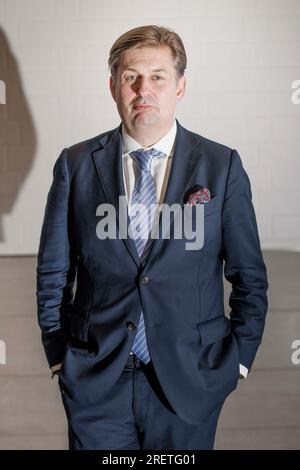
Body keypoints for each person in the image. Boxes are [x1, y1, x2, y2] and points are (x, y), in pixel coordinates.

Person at [36, 25, 268, 450]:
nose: (144, 89)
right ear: (113, 86)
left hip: (190, 378)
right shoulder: (75, 165)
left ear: (180, 86)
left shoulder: (222, 166)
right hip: (96, 380)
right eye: (131, 77)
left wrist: (238, 363)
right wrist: (57, 357)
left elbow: (249, 274)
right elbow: (53, 271)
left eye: (158, 76)